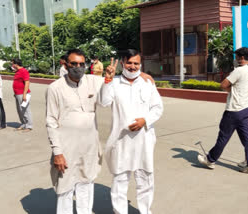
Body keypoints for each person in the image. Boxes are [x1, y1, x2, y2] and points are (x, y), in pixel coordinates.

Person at [99, 49, 163, 214]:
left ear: (140, 64)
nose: (133, 67)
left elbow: (157, 108)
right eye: (129, 63)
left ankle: (145, 211)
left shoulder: (147, 83)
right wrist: (107, 79)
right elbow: (104, 102)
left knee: (145, 177)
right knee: (120, 178)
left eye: (136, 63)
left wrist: (145, 120)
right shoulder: (113, 83)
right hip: (121, 140)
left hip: (144, 139)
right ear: (122, 63)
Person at [46, 49, 104, 214]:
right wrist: (57, 152)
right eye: (73, 64)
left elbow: (120, 82)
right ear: (66, 64)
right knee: (65, 188)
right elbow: (51, 122)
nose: (78, 67)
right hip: (67, 149)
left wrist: (145, 76)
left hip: (89, 147)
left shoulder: (93, 81)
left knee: (86, 184)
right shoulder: (55, 88)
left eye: (81, 64)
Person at [197, 47, 248, 176]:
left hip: (233, 110)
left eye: (237, 57)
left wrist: (231, 90)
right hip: (244, 110)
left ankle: (210, 160)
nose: (235, 59)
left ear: (242, 58)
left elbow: (223, 84)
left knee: (223, 137)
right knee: (246, 138)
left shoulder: (238, 71)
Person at [12, 58, 33, 132]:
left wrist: (24, 94)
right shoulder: (17, 71)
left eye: (13, 63)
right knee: (20, 110)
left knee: (25, 110)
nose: (12, 65)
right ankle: (23, 124)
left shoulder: (24, 71)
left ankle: (29, 125)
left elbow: (27, 83)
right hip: (17, 94)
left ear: (16, 64)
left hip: (23, 93)